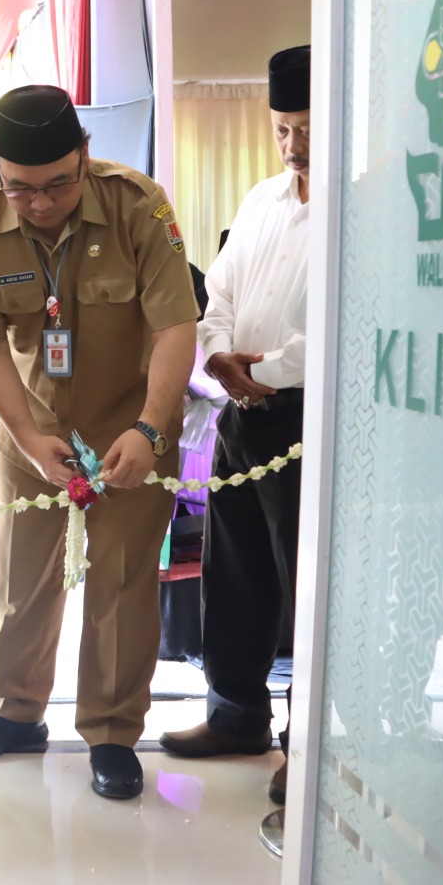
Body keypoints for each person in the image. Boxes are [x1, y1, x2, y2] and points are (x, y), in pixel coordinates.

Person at [0, 84, 199, 799]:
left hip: (131, 430)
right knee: (22, 582)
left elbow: (177, 327)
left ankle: (113, 732)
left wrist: (150, 428)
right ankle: (15, 712)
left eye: (59, 182)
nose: (42, 202)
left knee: (120, 584)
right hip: (34, 433)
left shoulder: (138, 207)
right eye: (21, 189)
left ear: (86, 155)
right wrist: (27, 436)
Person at [160, 46, 311, 805]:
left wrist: (274, 369)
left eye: (308, 128)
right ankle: (235, 715)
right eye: (283, 129)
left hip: (306, 418)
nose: (294, 146)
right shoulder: (261, 199)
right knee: (236, 567)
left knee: (304, 584)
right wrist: (217, 356)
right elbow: (214, 292)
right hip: (239, 414)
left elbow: (354, 314)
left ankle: (308, 744)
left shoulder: (362, 208)